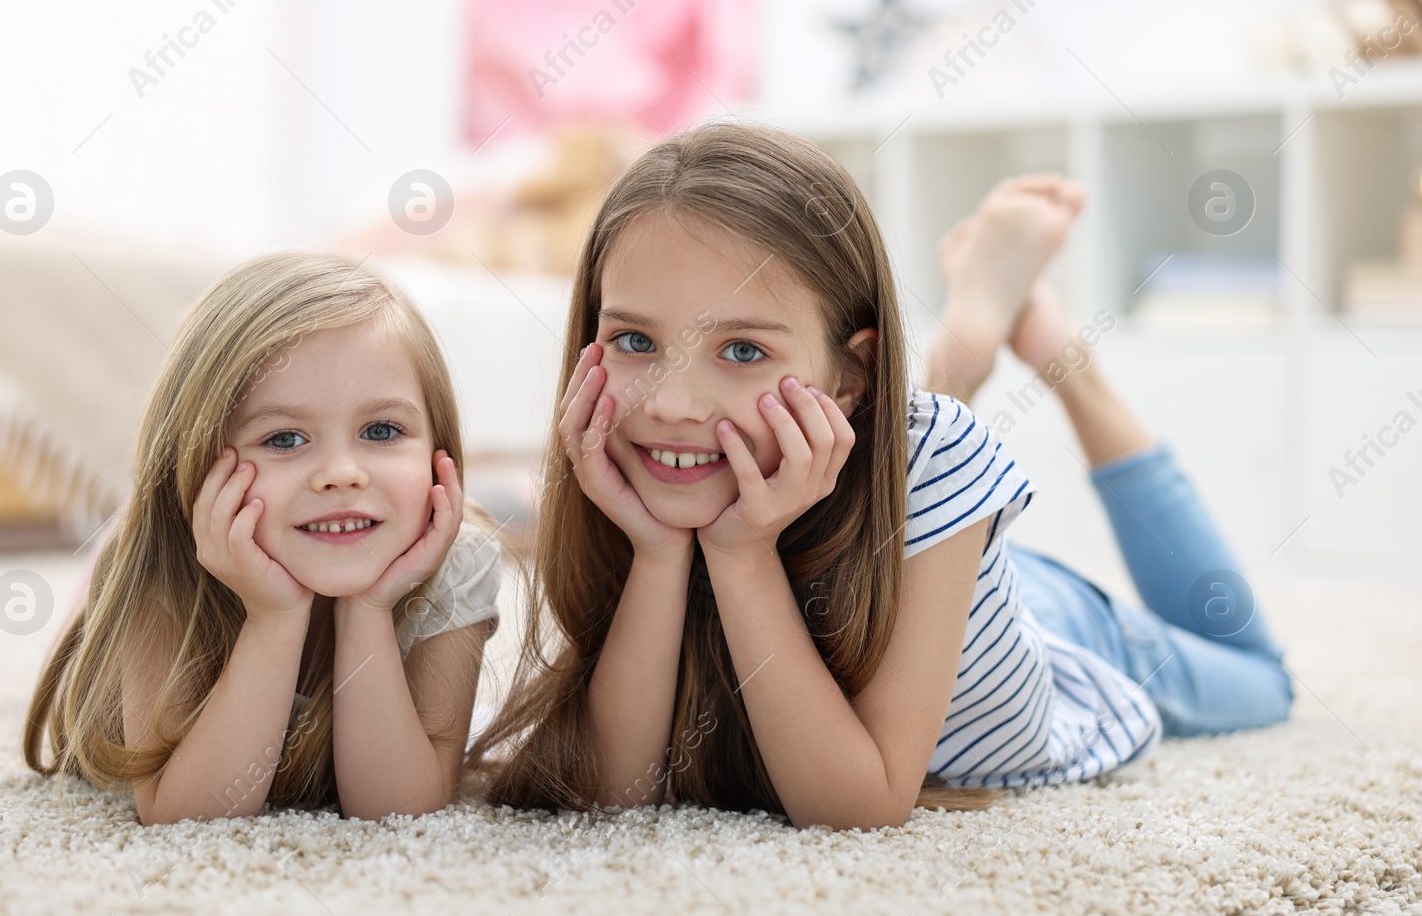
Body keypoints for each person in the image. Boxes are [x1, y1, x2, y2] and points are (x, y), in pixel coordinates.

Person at [470, 123, 1292, 830]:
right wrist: (657, 552)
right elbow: (616, 795)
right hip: (908, 534)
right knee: (915, 462)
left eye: (744, 350)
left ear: (851, 374)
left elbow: (861, 803)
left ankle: (1063, 362)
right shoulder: (626, 473)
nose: (673, 402)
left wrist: (744, 554)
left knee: (1263, 681)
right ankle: (962, 355)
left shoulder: (935, 459)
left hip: (1040, 626)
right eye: (636, 341)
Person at [24, 252, 501, 824]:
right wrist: (273, 618)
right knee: (131, 532)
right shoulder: (164, 557)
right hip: (167, 538)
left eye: (381, 430)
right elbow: (186, 816)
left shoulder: (457, 562)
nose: (341, 473)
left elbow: (399, 810)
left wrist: (368, 609)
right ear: (203, 463)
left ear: (438, 450)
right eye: (284, 439)